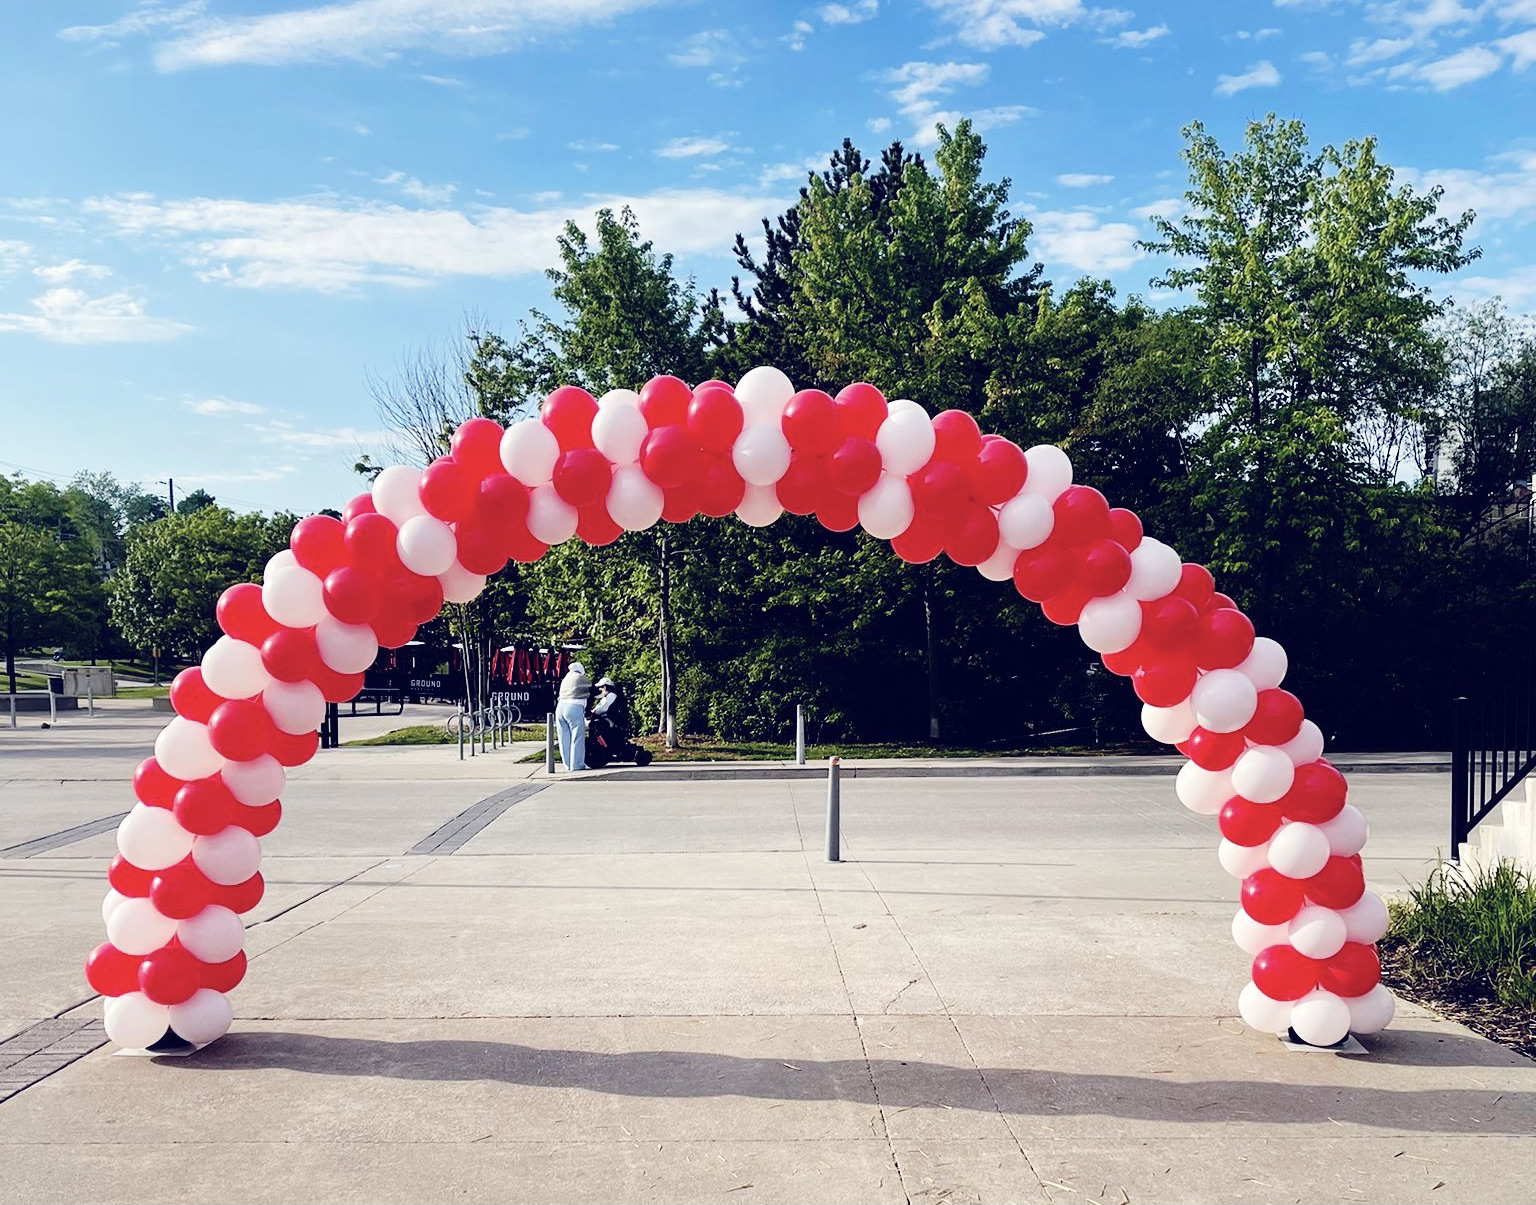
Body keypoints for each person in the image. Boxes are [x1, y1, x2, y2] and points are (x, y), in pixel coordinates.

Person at [555, 661, 590, 771]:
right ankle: (577, 765)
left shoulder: (566, 678)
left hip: (560, 707)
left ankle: (567, 764)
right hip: (574, 707)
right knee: (577, 737)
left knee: (564, 738)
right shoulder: (580, 677)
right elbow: (590, 692)